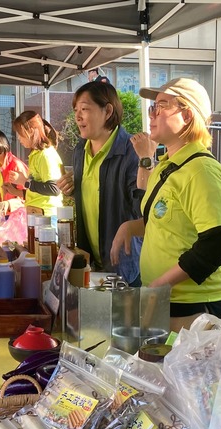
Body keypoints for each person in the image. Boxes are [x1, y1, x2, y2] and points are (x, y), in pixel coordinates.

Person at [110, 78, 221, 332]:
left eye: (161, 106)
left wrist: (160, 285)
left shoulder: (202, 170)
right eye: (152, 107)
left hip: (197, 309)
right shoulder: (167, 165)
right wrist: (132, 226)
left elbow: (217, 243)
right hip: (168, 301)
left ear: (187, 115)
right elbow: (166, 222)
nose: (152, 114)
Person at [57, 81, 145, 283]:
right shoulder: (81, 150)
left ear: (107, 111)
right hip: (91, 261)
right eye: (76, 110)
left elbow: (142, 208)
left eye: (85, 109)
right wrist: (72, 190)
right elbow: (96, 193)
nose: (77, 116)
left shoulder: (131, 152)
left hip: (124, 266)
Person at [10, 111, 63, 217]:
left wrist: (25, 181)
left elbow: (55, 188)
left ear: (30, 131)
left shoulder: (45, 155)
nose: (19, 139)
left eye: (20, 134)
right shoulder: (36, 154)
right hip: (38, 214)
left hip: (46, 217)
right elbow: (38, 192)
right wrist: (16, 190)